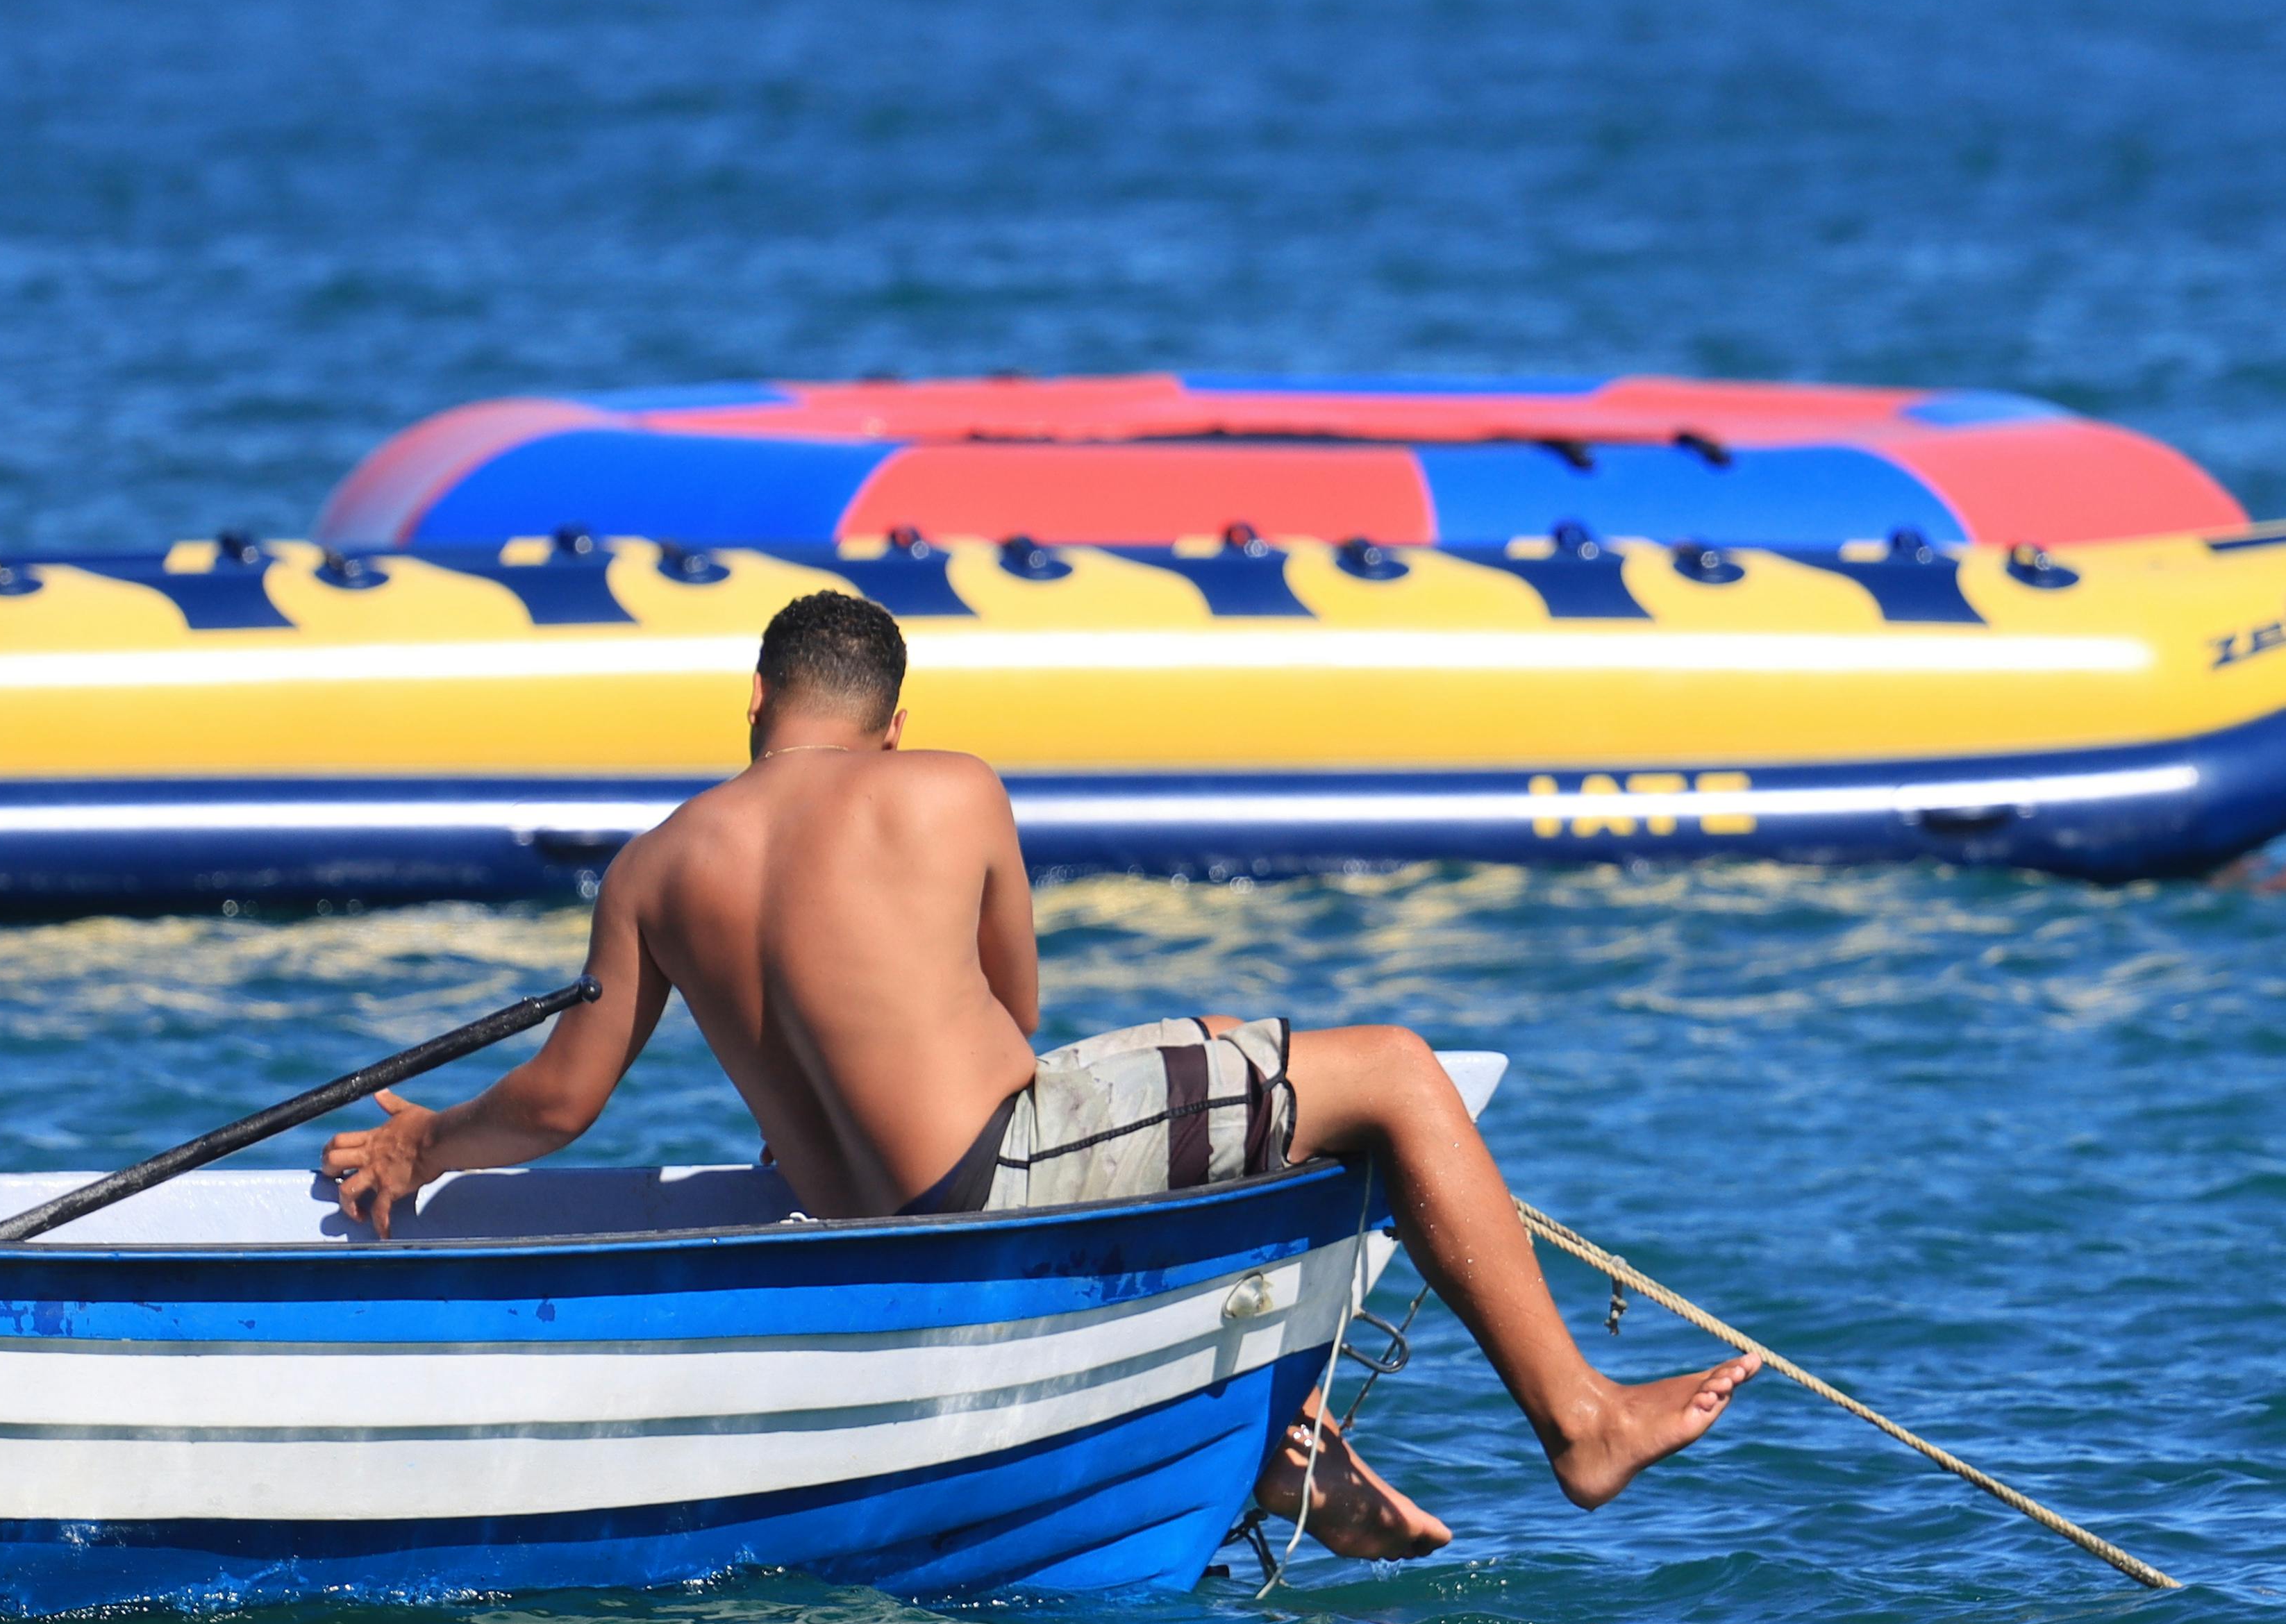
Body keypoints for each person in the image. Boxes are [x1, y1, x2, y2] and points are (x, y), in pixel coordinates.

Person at [326, 592, 1756, 1562]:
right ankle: (1580, 1419)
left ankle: (1261, 1440)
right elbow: (1017, 1018)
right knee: (1384, 1070)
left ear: (752, 703)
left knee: (1225, 1099)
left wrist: (419, 1147)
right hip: (992, 1171)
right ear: (888, 721)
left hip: (861, 1230)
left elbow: (559, 1104)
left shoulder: (654, 864)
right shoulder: (950, 787)